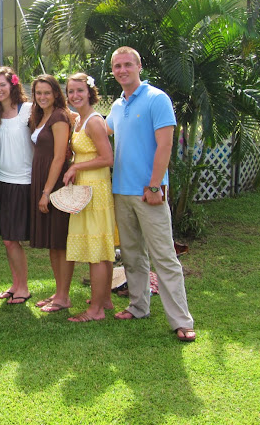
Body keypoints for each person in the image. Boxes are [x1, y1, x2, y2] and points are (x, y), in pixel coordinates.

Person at [107, 46, 196, 342]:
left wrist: (155, 186)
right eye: (117, 66)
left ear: (139, 66)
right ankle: (138, 306)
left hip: (149, 193)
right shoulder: (117, 106)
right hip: (121, 192)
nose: (122, 70)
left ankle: (181, 320)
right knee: (132, 256)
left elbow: (165, 146)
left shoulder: (157, 98)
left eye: (127, 64)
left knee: (164, 257)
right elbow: (99, 133)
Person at [62, 73, 115, 322]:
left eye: (80, 91)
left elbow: (107, 158)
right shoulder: (81, 119)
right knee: (100, 246)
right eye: (71, 91)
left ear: (89, 92)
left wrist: (75, 168)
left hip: (95, 188)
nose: (75, 96)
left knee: (96, 249)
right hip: (88, 186)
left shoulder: (93, 121)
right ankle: (104, 299)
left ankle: (96, 311)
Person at [0, 66, 33, 304]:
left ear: (13, 84)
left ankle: (23, 288)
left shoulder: (29, 110)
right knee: (6, 239)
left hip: (22, 182)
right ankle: (16, 284)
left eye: (3, 84)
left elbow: (61, 119)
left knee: (13, 239)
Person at [29, 75, 74, 313]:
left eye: (47, 92)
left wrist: (47, 191)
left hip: (54, 183)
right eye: (38, 93)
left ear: (56, 93)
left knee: (60, 242)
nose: (42, 97)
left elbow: (59, 157)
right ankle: (59, 292)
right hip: (42, 179)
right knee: (52, 243)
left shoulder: (58, 116)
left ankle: (64, 296)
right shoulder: (41, 115)